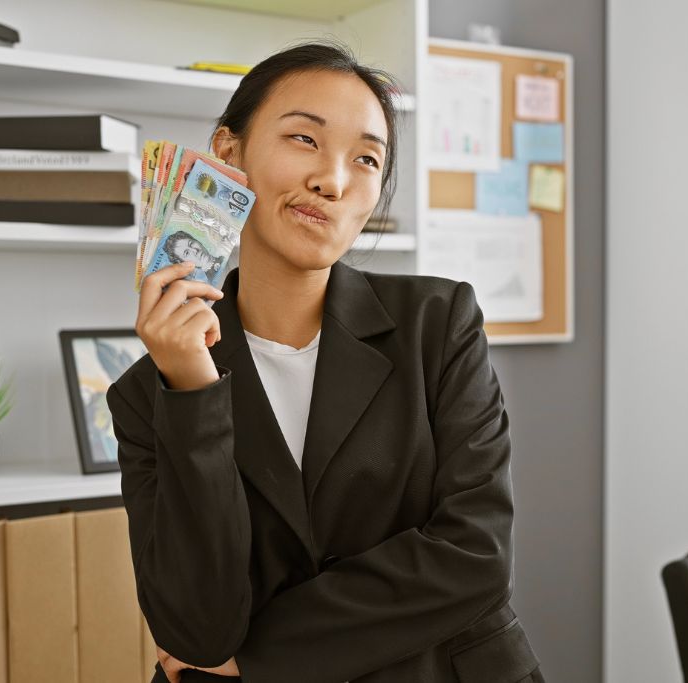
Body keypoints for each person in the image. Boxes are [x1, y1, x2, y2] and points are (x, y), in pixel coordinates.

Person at [106, 39, 543, 683]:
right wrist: (193, 389)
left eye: (366, 159)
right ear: (229, 155)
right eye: (305, 140)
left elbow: (475, 555)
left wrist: (260, 656)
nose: (332, 180)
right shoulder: (149, 394)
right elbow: (199, 631)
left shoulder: (439, 324)